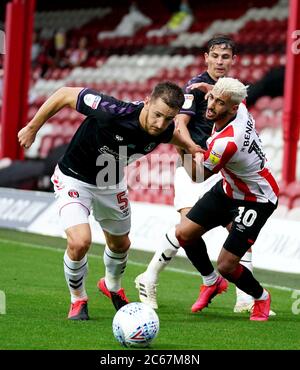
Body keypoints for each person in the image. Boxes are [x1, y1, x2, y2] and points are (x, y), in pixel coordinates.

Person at [18, 81, 200, 321]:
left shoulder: (165, 128)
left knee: (121, 245)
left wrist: (191, 146)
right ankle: (78, 299)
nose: (160, 124)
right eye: (157, 115)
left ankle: (112, 286)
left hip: (110, 183)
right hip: (74, 178)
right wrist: (32, 127)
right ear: (147, 101)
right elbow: (64, 94)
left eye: (168, 118)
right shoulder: (113, 111)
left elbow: (175, 135)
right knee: (80, 242)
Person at [135, 35, 256, 313]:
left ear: (233, 61)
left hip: (220, 168)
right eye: (215, 56)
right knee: (187, 231)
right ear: (206, 57)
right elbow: (180, 122)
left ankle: (245, 298)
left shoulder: (234, 93)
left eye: (226, 57)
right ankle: (207, 279)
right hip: (192, 166)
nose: (220, 61)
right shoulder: (195, 88)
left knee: (237, 230)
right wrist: (192, 151)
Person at [176, 77, 278, 321]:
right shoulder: (238, 108)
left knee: (227, 265)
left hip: (256, 199)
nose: (210, 105)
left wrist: (181, 144)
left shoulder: (226, 143)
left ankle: (261, 297)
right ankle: (211, 282)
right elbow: (224, 96)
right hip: (229, 189)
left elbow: (197, 176)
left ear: (232, 107)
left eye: (218, 102)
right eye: (211, 98)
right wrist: (209, 89)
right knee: (183, 234)